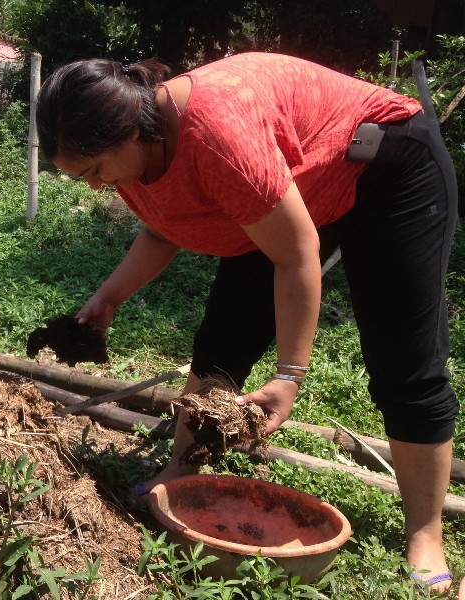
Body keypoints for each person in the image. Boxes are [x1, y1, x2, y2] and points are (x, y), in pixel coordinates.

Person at [35, 52, 461, 595]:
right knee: (223, 339)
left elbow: (297, 254)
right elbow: (163, 226)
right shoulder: (133, 148)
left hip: (388, 164)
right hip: (296, 182)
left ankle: (424, 533)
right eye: (83, 176)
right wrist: (109, 297)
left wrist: (289, 376)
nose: (96, 186)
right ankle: (182, 469)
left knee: (404, 361)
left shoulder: (218, 138)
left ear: (133, 130)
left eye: (95, 170)